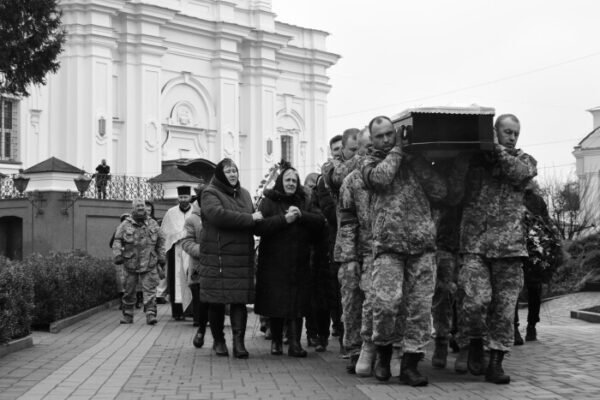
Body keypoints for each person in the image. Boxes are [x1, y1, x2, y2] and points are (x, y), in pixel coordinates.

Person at [361, 116, 446, 386]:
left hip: (422, 247)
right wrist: (398, 150)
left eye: (390, 134)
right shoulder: (369, 162)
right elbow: (380, 179)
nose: (386, 139)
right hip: (389, 248)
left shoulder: (415, 161)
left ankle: (410, 365)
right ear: (372, 139)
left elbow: (440, 191)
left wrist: (416, 161)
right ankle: (384, 353)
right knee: (386, 304)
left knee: (419, 309)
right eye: (380, 136)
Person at [456, 114, 537, 384]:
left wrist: (497, 148)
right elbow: (454, 189)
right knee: (475, 302)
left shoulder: (525, 160)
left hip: (509, 249)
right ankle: (474, 340)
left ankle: (496, 363)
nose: (512, 137)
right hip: (475, 245)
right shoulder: (474, 161)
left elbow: (519, 174)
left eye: (515, 133)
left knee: (503, 311)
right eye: (506, 132)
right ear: (494, 131)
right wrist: (478, 151)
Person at [254, 166, 325, 357]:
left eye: (294, 180)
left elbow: (320, 222)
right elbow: (259, 228)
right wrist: (284, 219)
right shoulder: (269, 201)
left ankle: (295, 344)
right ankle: (276, 342)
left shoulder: (304, 200)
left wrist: (301, 215)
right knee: (276, 303)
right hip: (274, 263)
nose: (291, 184)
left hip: (298, 262)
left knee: (297, 304)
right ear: (281, 182)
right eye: (288, 180)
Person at [199, 158, 262, 358]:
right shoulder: (210, 193)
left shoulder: (245, 194)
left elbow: (256, 218)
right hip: (217, 256)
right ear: (220, 174)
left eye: (234, 170)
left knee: (239, 300)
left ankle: (239, 343)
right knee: (216, 300)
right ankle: (219, 340)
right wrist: (250, 218)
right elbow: (218, 216)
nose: (233, 174)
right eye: (228, 171)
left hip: (241, 256)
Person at [334, 128, 376, 375]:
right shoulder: (351, 179)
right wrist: (350, 257)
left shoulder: (385, 176)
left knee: (373, 302)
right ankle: (353, 349)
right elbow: (347, 221)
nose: (371, 150)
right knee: (351, 303)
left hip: (377, 251)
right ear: (358, 149)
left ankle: (374, 348)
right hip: (352, 251)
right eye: (367, 147)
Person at [514, 182, 561, 345]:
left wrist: (550, 242)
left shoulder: (538, 200)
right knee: (512, 290)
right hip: (514, 249)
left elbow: (546, 222)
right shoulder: (511, 197)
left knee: (535, 290)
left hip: (534, 252)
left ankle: (532, 325)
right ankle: (514, 327)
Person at [112, 199, 166, 325]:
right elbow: (117, 240)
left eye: (142, 205)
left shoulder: (153, 223)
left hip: (149, 262)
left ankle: (150, 314)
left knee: (150, 290)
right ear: (133, 208)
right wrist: (118, 255)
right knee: (129, 290)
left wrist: (162, 256)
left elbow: (161, 241)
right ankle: (128, 315)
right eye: (138, 206)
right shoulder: (125, 224)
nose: (141, 208)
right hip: (130, 263)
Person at [181, 183, 210, 348]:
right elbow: (186, 242)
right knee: (200, 297)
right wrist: (203, 251)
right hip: (199, 267)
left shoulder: (217, 215)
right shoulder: (192, 219)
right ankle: (200, 326)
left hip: (216, 267)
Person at [160, 186, 194, 320]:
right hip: (176, 250)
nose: (183, 200)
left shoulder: (196, 211)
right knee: (176, 279)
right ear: (178, 198)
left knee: (191, 278)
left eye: (186, 197)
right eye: (181, 197)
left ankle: (191, 310)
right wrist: (177, 236)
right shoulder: (171, 212)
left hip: (191, 250)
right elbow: (165, 232)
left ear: (190, 197)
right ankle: (177, 312)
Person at [109, 213, 131, 310]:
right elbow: (111, 244)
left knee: (131, 281)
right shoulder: (118, 231)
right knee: (121, 281)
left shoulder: (133, 230)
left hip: (131, 259)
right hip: (121, 260)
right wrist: (119, 249)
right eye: (124, 220)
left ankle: (135, 301)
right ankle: (122, 302)